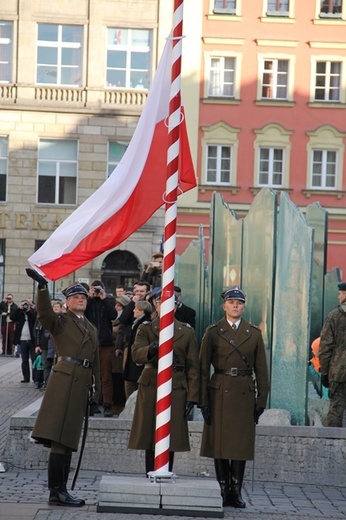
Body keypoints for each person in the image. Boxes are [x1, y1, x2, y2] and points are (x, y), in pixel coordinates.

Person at [26, 268, 100, 507]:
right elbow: (45, 313)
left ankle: (61, 490)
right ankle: (56, 491)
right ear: (67, 302)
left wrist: (95, 389)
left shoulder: (91, 327)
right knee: (59, 437)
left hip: (81, 384)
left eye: (84, 297)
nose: (81, 300)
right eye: (76, 297)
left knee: (68, 438)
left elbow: (95, 361)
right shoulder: (60, 321)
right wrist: (42, 288)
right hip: (65, 381)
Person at [199, 287, 269, 508]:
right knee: (219, 444)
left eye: (239, 302)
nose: (235, 306)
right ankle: (222, 488)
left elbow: (262, 371)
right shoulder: (213, 332)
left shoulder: (253, 333)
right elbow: (202, 369)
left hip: (243, 393)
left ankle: (235, 491)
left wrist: (261, 401)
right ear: (224, 306)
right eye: (231, 302)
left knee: (240, 445)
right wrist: (202, 401)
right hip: (219, 391)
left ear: (244, 306)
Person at [128, 287, 200, 475]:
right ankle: (150, 473)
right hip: (152, 382)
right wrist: (150, 350)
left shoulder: (186, 331)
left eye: (171, 304)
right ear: (155, 305)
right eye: (161, 303)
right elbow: (136, 354)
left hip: (176, 385)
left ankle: (166, 472)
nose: (166, 307)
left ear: (176, 307)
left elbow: (193, 366)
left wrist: (193, 396)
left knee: (172, 435)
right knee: (150, 433)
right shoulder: (146, 328)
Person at [84, 280, 117, 417]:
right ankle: (92, 403)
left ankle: (108, 404)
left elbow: (113, 316)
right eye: (94, 289)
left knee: (106, 376)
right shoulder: (87, 302)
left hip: (105, 344)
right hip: (90, 344)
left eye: (98, 289)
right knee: (90, 375)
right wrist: (90, 298)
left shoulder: (107, 302)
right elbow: (83, 314)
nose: (96, 292)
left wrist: (104, 300)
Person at [320, 281, 346, 427]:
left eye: (340, 293)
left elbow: (325, 348)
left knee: (336, 411)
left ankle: (331, 447)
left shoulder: (334, 316)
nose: (338, 297)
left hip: (339, 373)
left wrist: (325, 373)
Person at [122, 300, 153, 399]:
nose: (133, 311)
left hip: (138, 361)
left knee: (134, 387)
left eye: (136, 309)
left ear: (142, 311)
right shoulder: (136, 323)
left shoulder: (144, 325)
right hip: (134, 360)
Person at [110, 294, 131, 415]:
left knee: (119, 379)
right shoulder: (114, 319)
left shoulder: (124, 321)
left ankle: (119, 404)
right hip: (112, 353)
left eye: (119, 305)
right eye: (116, 305)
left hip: (120, 353)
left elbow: (120, 333)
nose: (116, 307)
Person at [10, 298, 36, 383]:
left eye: (26, 304)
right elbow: (12, 317)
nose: (25, 306)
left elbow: (35, 317)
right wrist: (19, 309)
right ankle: (26, 377)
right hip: (22, 340)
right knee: (24, 360)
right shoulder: (20, 313)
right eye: (23, 304)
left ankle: (35, 377)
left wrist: (29, 311)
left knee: (34, 360)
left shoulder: (32, 312)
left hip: (32, 340)